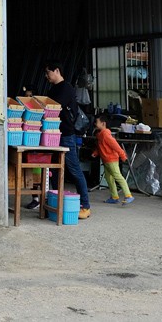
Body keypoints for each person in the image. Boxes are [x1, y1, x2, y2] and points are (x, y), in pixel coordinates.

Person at [45, 62, 92, 219]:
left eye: (48, 72)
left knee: (74, 169)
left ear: (57, 70)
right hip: (53, 135)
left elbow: (55, 107)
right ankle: (55, 202)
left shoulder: (66, 88)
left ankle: (85, 206)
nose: (47, 76)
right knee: (54, 170)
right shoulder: (53, 89)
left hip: (66, 135)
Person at [92, 114, 134, 205]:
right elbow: (100, 146)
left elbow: (116, 146)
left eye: (97, 122)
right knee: (109, 178)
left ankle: (128, 195)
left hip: (111, 160)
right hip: (106, 160)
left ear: (103, 123)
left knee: (117, 176)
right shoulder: (100, 135)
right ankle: (114, 197)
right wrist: (96, 153)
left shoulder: (105, 135)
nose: (95, 123)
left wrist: (123, 156)